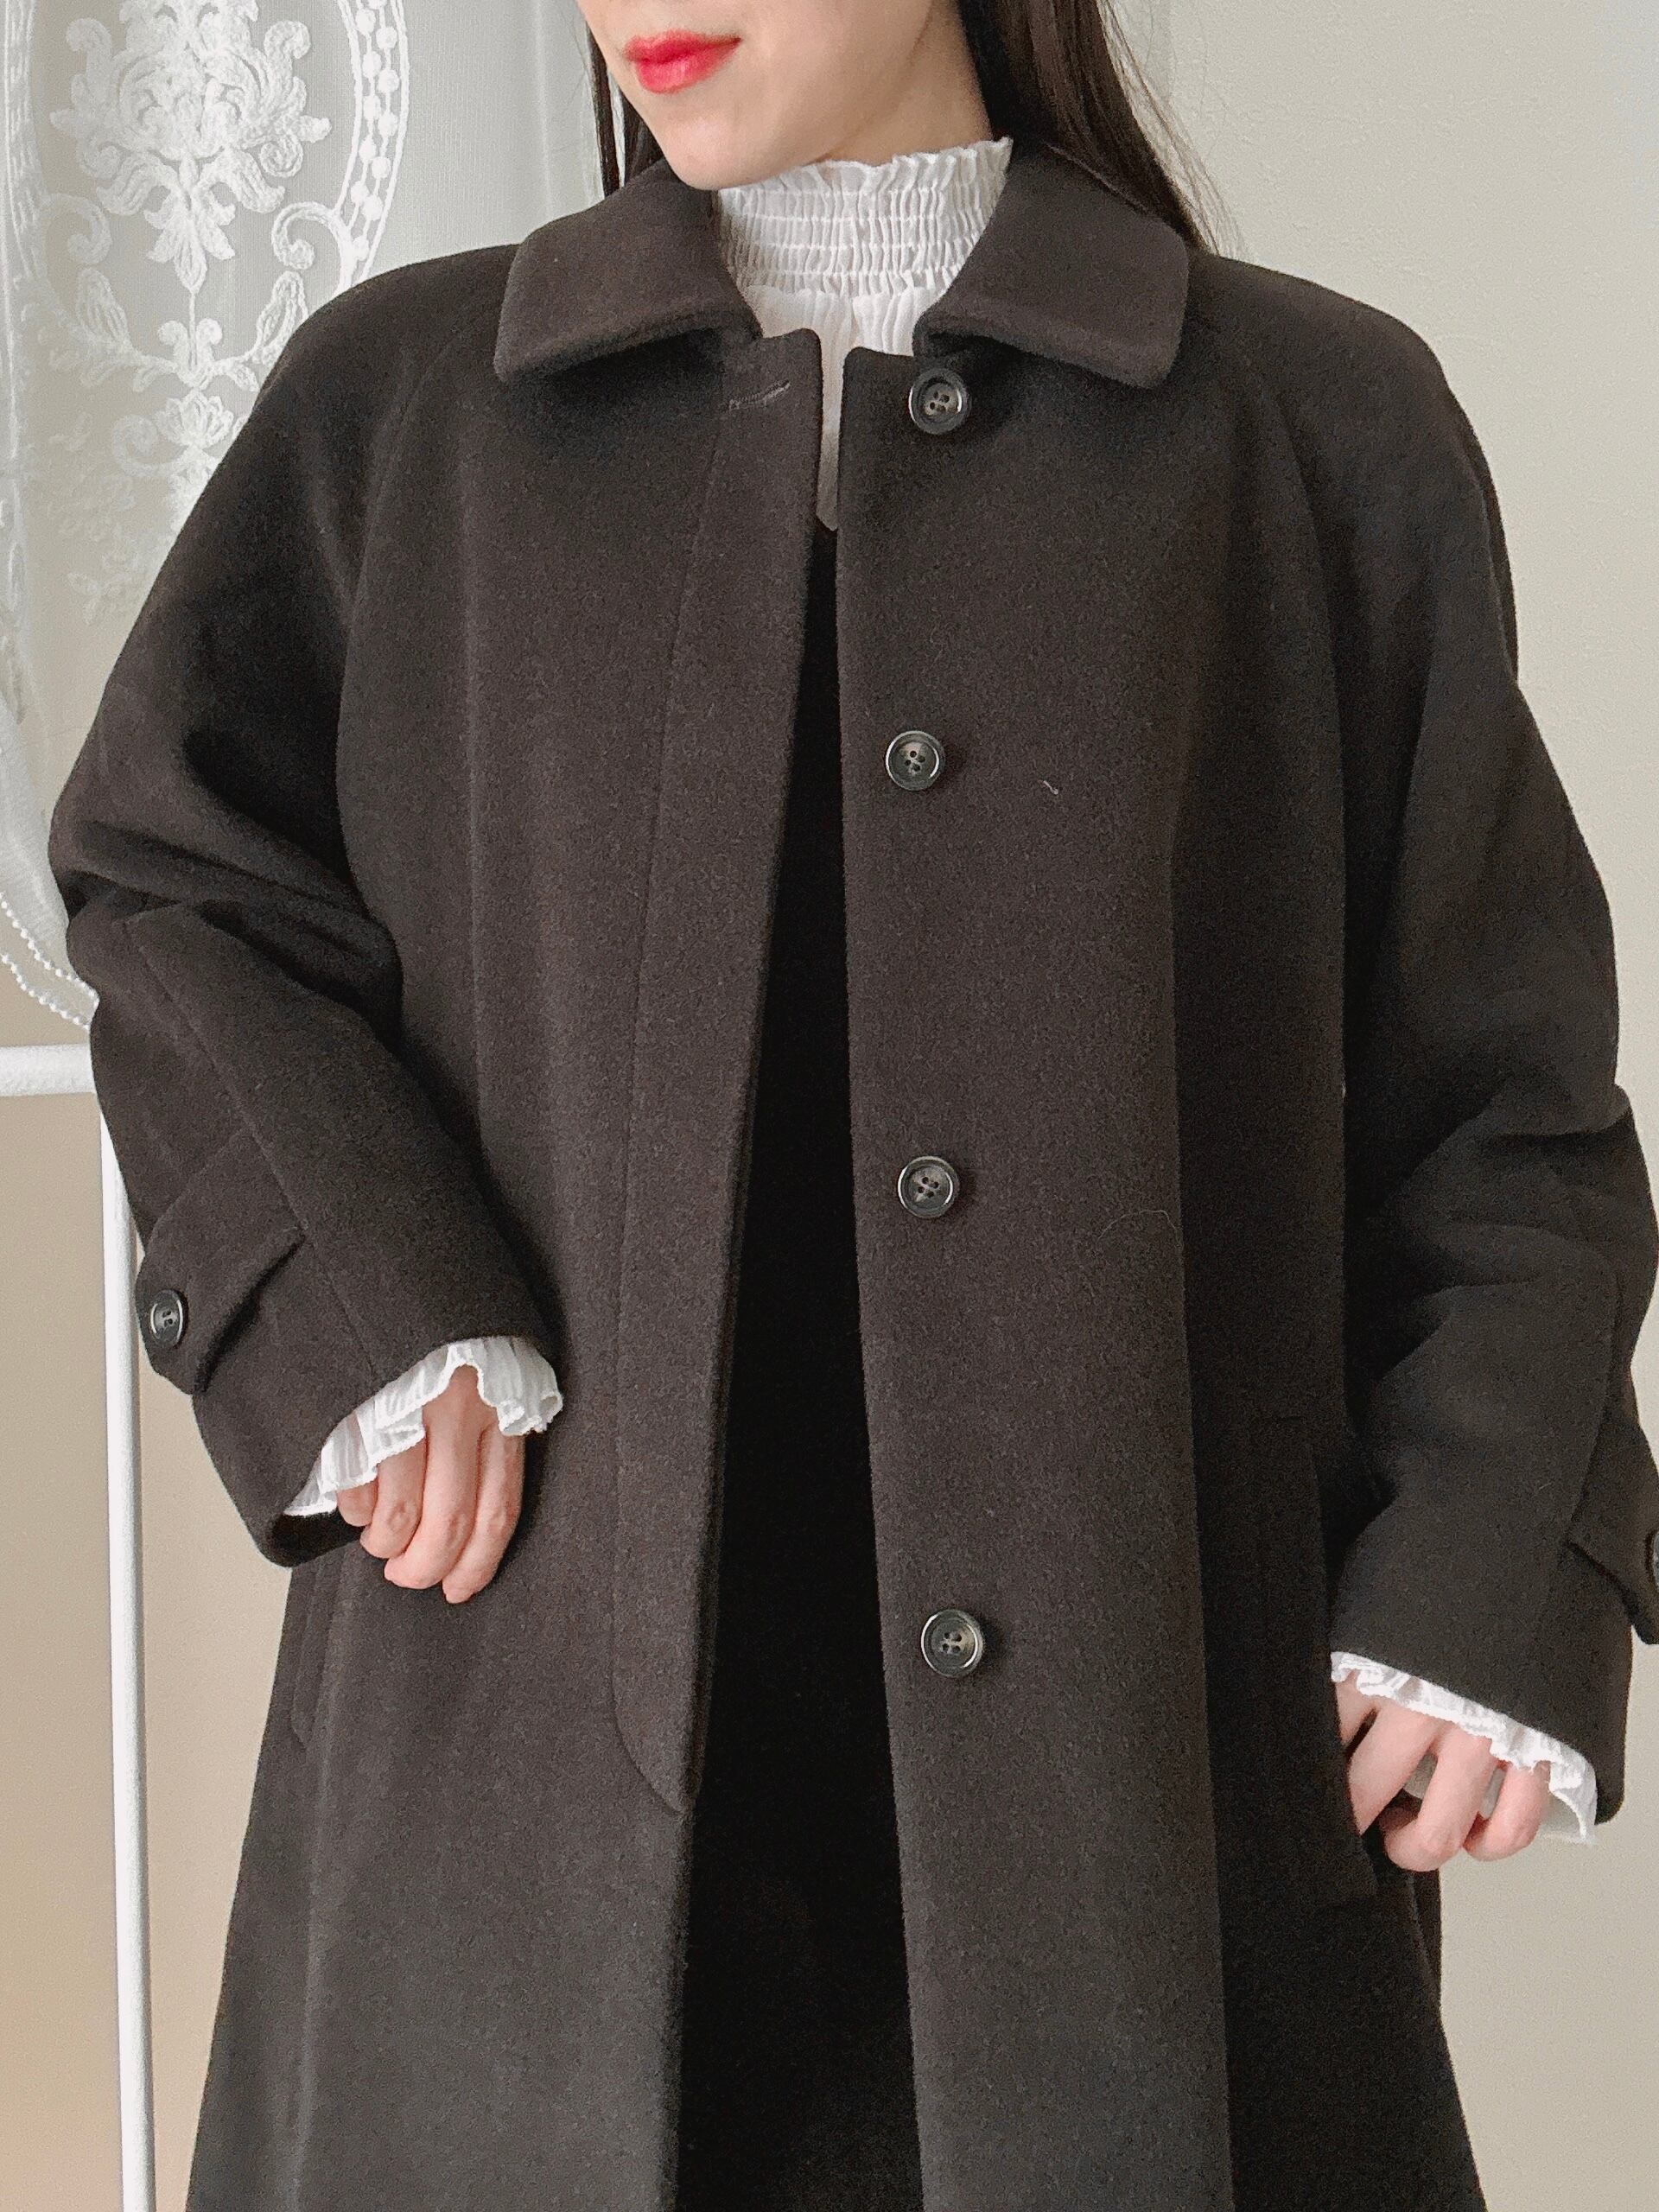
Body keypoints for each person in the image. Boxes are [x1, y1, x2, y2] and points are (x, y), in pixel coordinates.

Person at [46, 3, 1659, 2208]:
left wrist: (1487, 1568)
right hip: (508, 1892)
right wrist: (355, 1289)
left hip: (1141, 1865)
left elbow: (1506, 1104)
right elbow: (172, 878)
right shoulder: (402, 412)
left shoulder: (1309, 432)